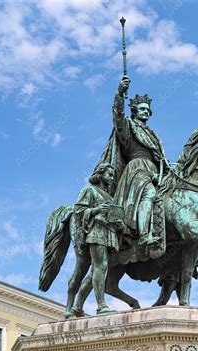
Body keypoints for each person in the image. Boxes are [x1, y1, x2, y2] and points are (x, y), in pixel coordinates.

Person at [111, 77, 168, 248]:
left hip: (154, 170)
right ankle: (143, 236)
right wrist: (120, 94)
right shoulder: (128, 127)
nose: (146, 112)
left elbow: (159, 158)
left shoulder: (153, 134)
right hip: (137, 169)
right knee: (149, 194)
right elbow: (118, 116)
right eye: (142, 109)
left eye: (148, 110)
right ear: (134, 111)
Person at [67, 163, 124, 316]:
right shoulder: (89, 190)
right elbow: (78, 211)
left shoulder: (110, 198)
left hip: (108, 232)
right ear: (100, 174)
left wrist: (119, 223)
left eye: (112, 175)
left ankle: (77, 307)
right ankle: (101, 306)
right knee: (101, 266)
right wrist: (97, 210)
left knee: (96, 271)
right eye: (109, 174)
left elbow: (113, 216)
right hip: (96, 231)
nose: (112, 178)